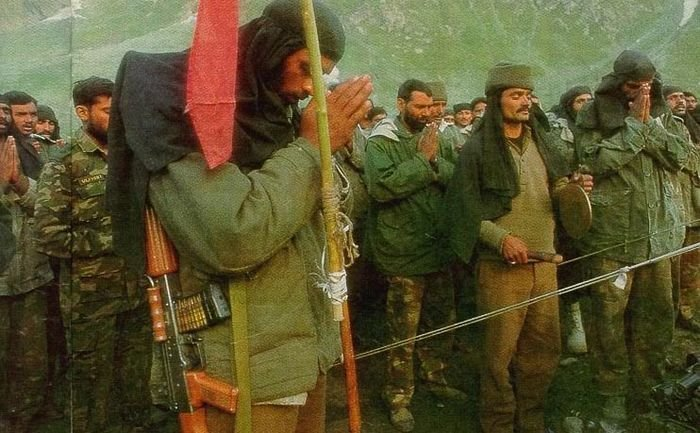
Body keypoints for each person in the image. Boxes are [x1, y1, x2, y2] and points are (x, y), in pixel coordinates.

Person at [106, 1, 373, 432]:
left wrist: (338, 143)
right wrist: (309, 149)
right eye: (305, 68)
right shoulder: (188, 114)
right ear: (271, 49)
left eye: (320, 77)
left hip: (304, 355)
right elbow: (233, 236)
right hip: (243, 368)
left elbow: (342, 210)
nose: (310, 88)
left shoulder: (277, 115)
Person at [445, 63, 592, 433]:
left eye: (527, 95)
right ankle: (497, 425)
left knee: (542, 353)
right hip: (500, 271)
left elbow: (555, 184)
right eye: (515, 96)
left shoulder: (543, 141)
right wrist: (501, 238)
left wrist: (571, 193)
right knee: (498, 358)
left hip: (545, 266)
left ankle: (532, 422)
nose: (525, 102)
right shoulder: (477, 149)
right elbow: (462, 212)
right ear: (497, 101)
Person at [574, 50, 691, 428]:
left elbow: (680, 156)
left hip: (659, 242)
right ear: (616, 83)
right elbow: (594, 163)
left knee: (656, 321)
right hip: (612, 241)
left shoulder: (665, 115)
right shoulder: (590, 116)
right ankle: (611, 397)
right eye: (631, 86)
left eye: (647, 86)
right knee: (607, 325)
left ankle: (648, 392)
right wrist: (635, 131)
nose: (640, 92)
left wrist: (648, 126)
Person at [34, 77, 153, 433]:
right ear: (83, 112)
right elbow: (47, 234)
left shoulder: (131, 155)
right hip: (90, 302)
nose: (117, 117)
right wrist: (114, 239)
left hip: (135, 292)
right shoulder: (66, 161)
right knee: (90, 392)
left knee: (136, 385)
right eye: (107, 110)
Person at [365, 78, 463, 433]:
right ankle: (398, 397)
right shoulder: (382, 140)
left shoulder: (439, 135)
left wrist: (433, 165)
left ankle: (435, 379)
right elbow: (382, 187)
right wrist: (425, 162)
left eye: (429, 107)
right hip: (402, 252)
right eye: (419, 107)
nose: (426, 113)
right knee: (403, 333)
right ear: (401, 103)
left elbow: (457, 175)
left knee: (441, 322)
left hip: (437, 249)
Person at [0, 93, 53, 433]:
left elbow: (46, 207)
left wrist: (18, 182)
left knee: (31, 365)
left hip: (29, 279)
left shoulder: (25, 154)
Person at [545, 85, 594, 355]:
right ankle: (574, 321)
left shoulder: (599, 126)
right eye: (579, 101)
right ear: (569, 105)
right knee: (570, 261)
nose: (585, 105)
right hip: (568, 205)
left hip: (598, 203)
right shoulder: (557, 132)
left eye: (589, 100)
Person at [663, 85, 700, 333]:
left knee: (692, 268)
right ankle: (670, 315)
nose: (680, 101)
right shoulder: (664, 129)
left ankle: (685, 312)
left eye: (681, 97)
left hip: (694, 211)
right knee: (670, 271)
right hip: (673, 212)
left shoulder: (691, 127)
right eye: (673, 98)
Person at [4, 91, 43, 180]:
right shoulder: (5, 145)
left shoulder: (30, 143)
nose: (29, 120)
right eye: (21, 114)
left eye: (33, 114)